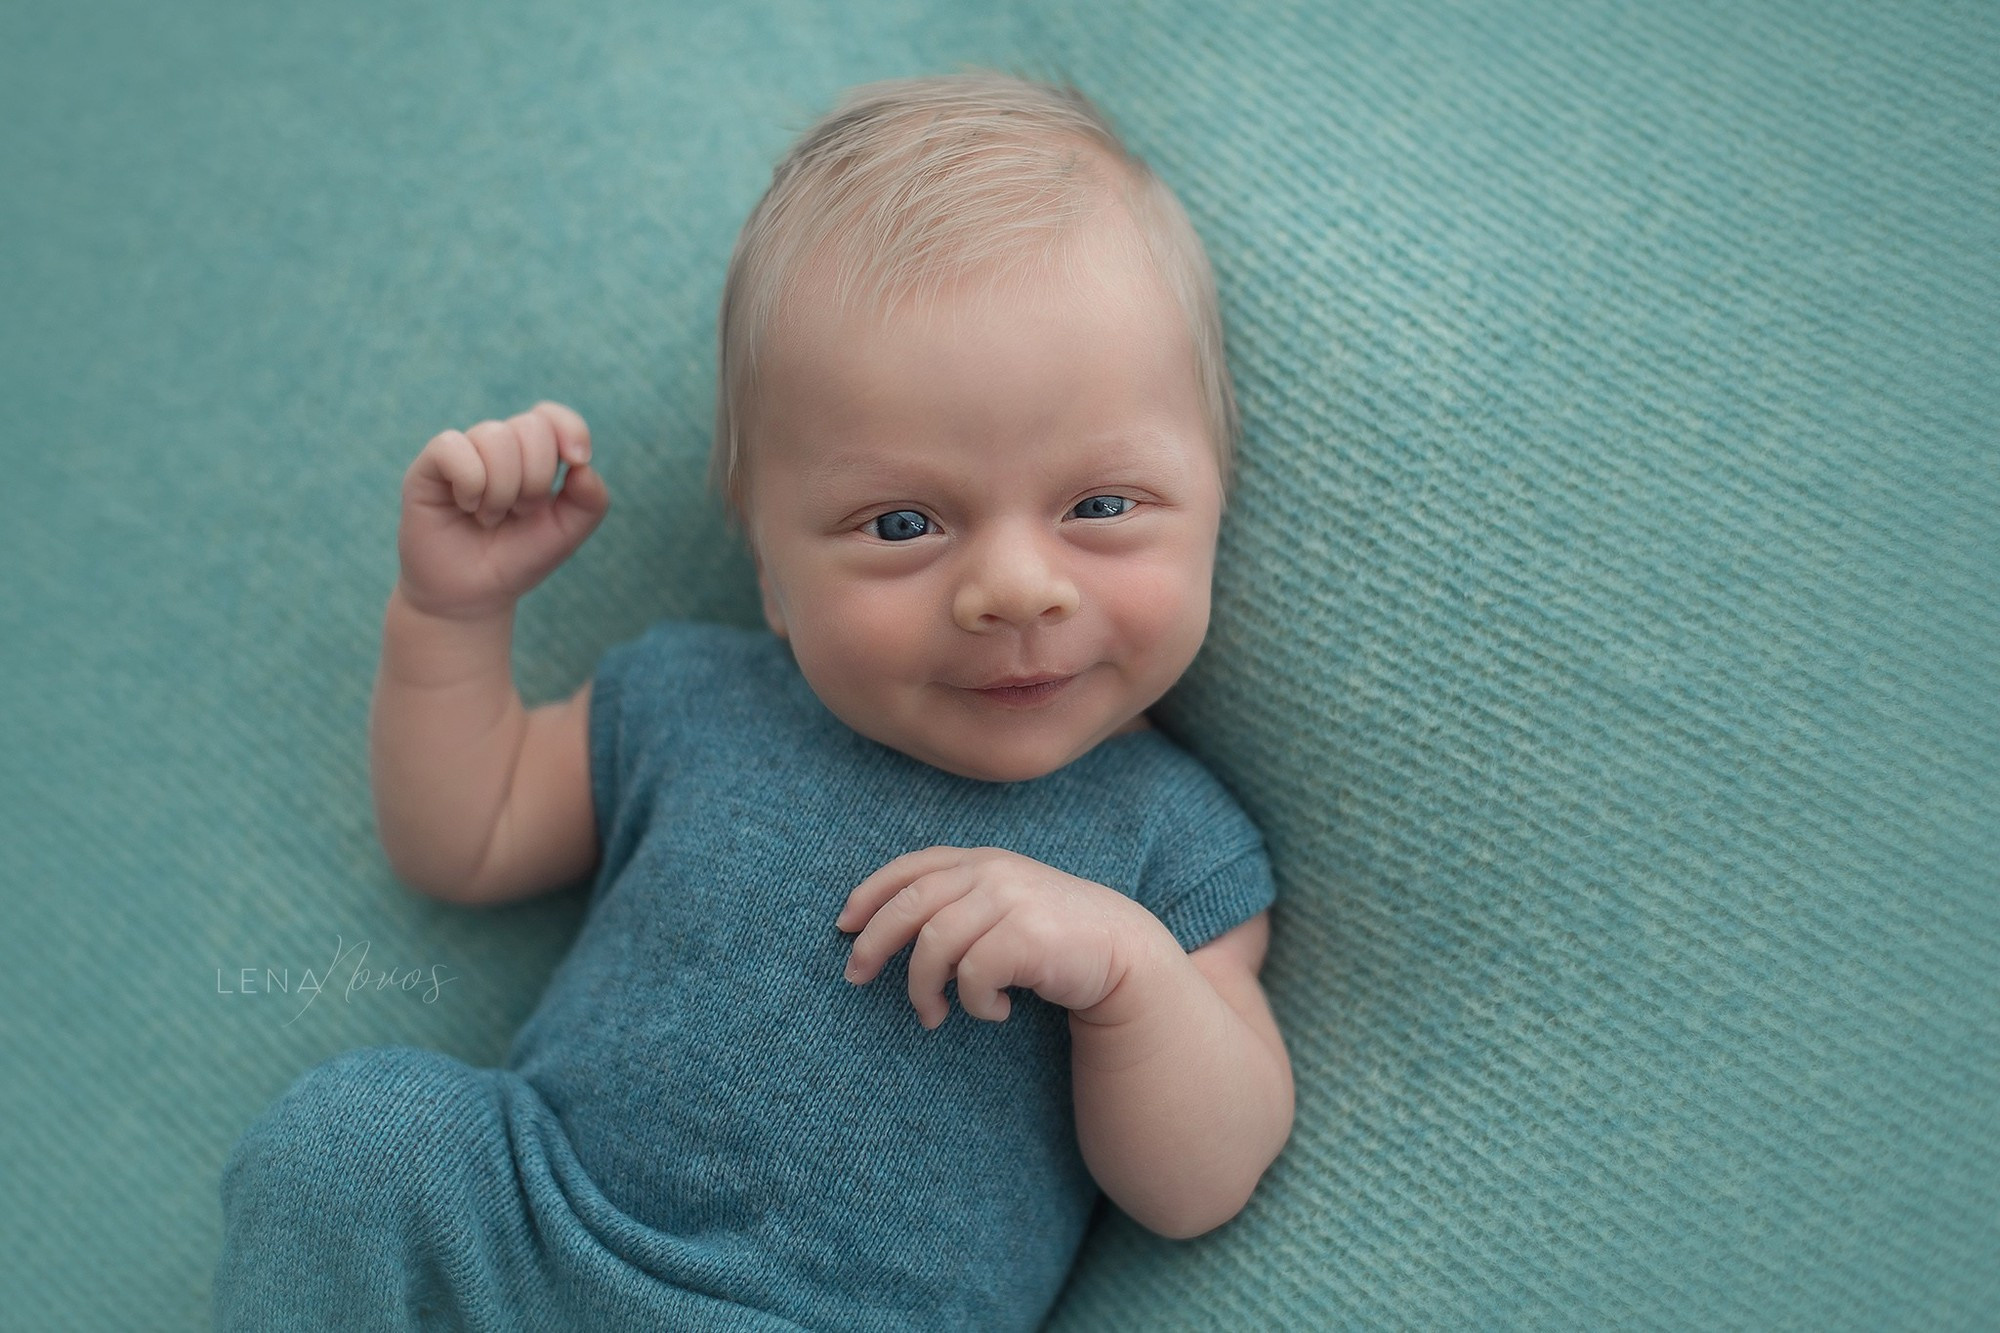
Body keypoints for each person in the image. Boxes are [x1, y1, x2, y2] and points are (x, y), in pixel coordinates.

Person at [215, 70, 1294, 1331]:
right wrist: (452, 616)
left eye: (1100, 506)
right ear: (770, 572)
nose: (1010, 587)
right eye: (902, 523)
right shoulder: (691, 697)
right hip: (536, 1232)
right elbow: (467, 833)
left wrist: (1128, 975)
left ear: (1218, 496)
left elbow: (1198, 1184)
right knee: (350, 1135)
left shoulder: (1168, 843)